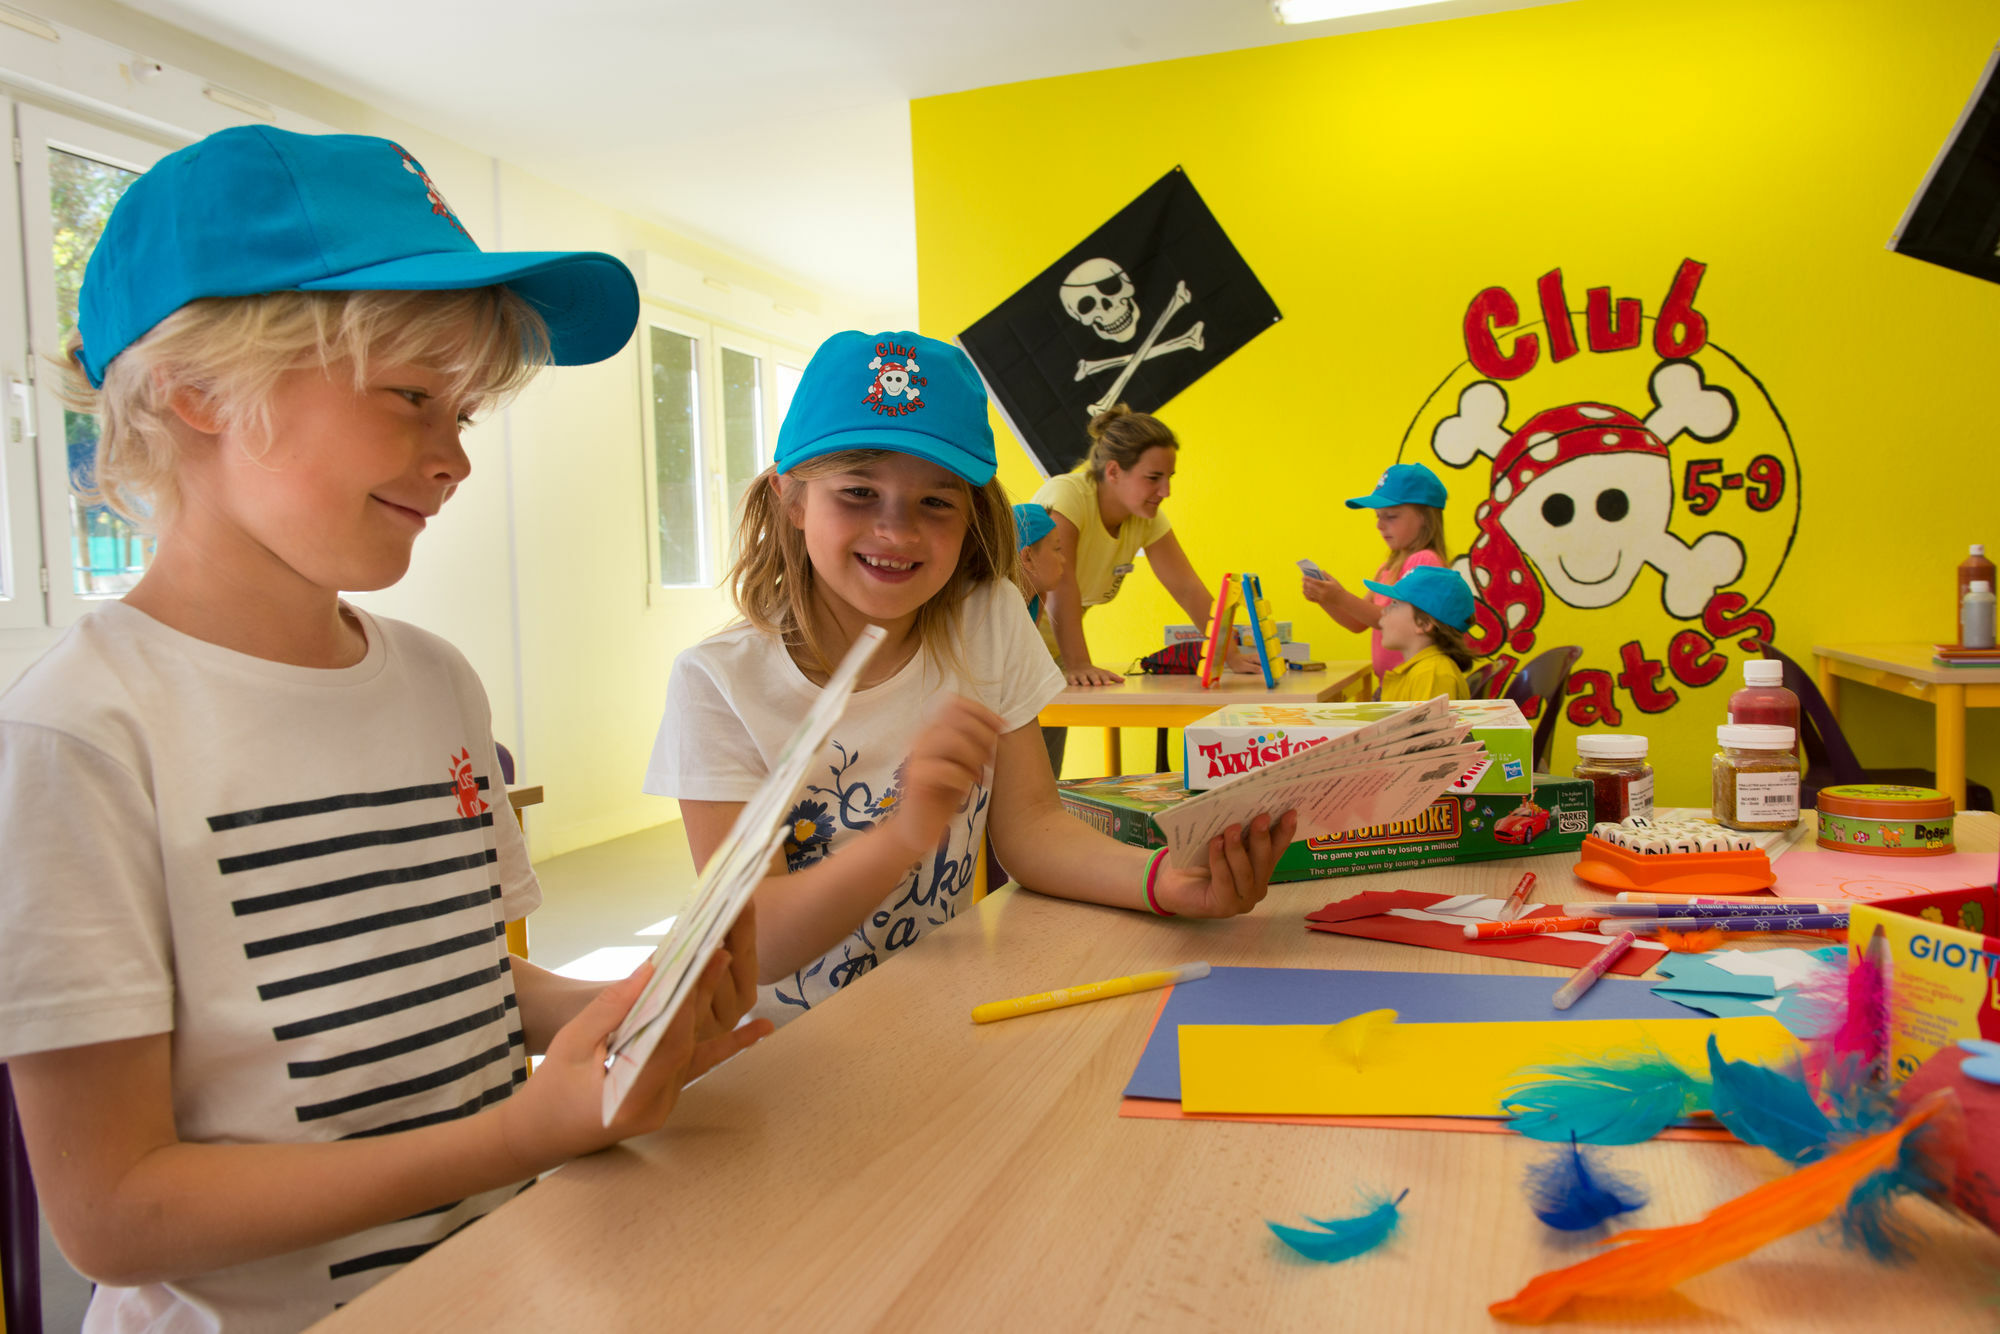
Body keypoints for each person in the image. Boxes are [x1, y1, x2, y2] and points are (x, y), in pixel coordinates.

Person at [0, 127, 768, 1333]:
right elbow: (114, 1210)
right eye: (411, 397)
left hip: (491, 1281)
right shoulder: (80, 737)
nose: (454, 456)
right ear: (197, 389)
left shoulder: (435, 683)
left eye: (461, 411)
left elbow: (452, 971)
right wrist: (513, 1133)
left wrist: (613, 1016)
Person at [645, 332, 1295, 1026]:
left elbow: (1033, 828)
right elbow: (755, 942)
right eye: (859, 492)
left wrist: (1169, 882)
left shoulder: (985, 620)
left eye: (936, 502)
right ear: (792, 499)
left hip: (938, 1018)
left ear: (971, 513)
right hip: (782, 1055)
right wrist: (903, 834)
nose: (896, 532)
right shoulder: (717, 683)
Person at [1302, 463, 1452, 682]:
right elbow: (1358, 623)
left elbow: (1392, 621)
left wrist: (1339, 597)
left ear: (1424, 518)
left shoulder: (1424, 562)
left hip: (1414, 684)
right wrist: (1325, 598)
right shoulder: (1388, 567)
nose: (1380, 526)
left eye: (1391, 516)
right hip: (1391, 684)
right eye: (1378, 517)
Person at [1360, 565, 1479, 702]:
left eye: (1394, 603)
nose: (1383, 611)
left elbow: (1430, 724)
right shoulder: (1423, 671)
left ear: (1424, 623)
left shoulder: (1432, 675)